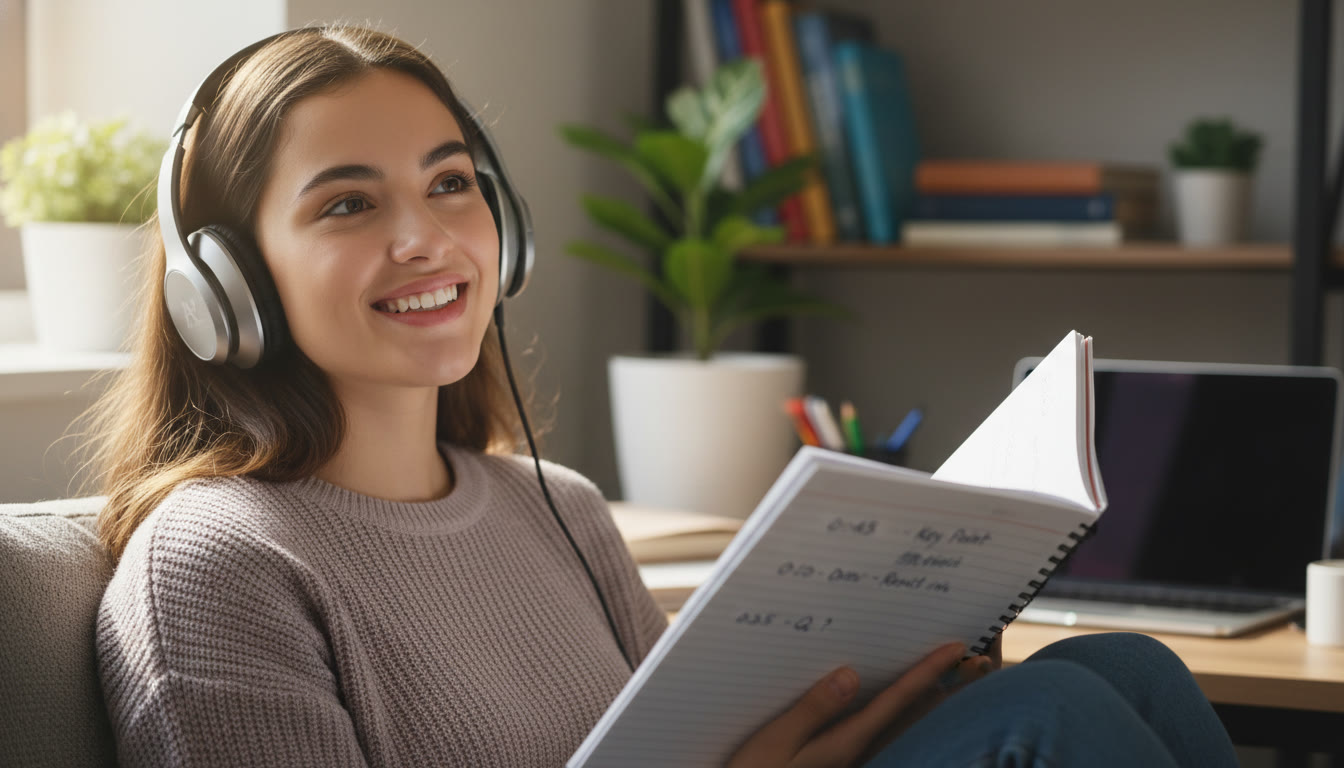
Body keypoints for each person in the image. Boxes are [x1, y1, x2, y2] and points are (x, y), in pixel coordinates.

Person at [88, 24, 1239, 768]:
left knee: (1124, 666)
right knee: (1057, 721)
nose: (426, 237)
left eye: (450, 185)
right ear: (223, 286)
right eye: (348, 205)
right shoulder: (218, 564)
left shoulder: (562, 509)